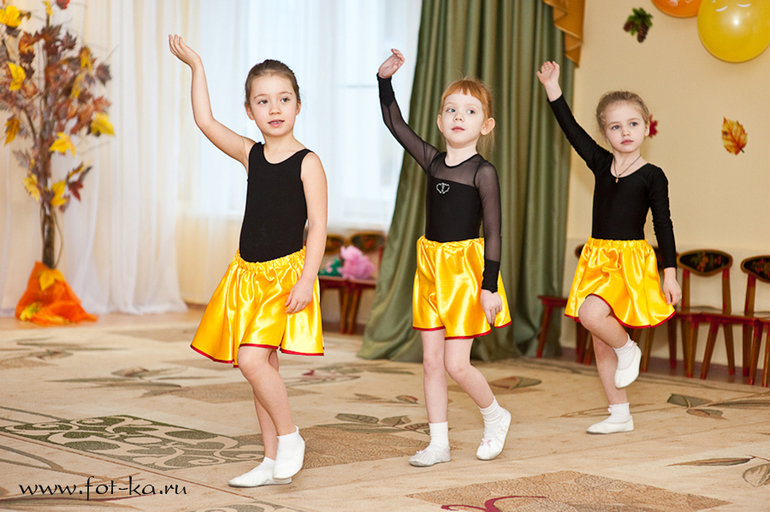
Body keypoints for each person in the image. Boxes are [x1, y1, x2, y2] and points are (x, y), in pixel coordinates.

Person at [169, 35, 328, 486]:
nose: (274, 108)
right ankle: (270, 458)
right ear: (249, 111)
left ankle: (290, 437)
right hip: (247, 276)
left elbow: (318, 226)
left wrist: (307, 280)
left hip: (284, 278)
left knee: (251, 360)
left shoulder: (308, 162)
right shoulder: (250, 153)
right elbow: (204, 120)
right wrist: (197, 66)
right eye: (263, 101)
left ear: (298, 105)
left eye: (284, 99)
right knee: (264, 369)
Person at [377, 49, 512, 467]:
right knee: (431, 362)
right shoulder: (433, 161)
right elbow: (395, 124)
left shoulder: (482, 172)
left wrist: (489, 287)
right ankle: (439, 443)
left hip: (465, 274)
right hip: (431, 269)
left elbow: (493, 233)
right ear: (439, 121)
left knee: (457, 363)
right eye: (451, 109)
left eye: (470, 111)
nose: (458, 116)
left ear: (485, 125)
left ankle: (496, 414)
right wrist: (384, 80)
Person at [536, 61, 681, 434]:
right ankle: (620, 413)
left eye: (632, 123)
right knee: (600, 340)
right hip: (597, 257)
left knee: (592, 315)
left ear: (646, 126)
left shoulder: (653, 176)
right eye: (615, 127)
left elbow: (663, 225)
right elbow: (570, 129)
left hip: (628, 260)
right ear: (604, 133)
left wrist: (670, 273)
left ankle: (628, 348)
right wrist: (553, 88)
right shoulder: (601, 164)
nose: (625, 131)